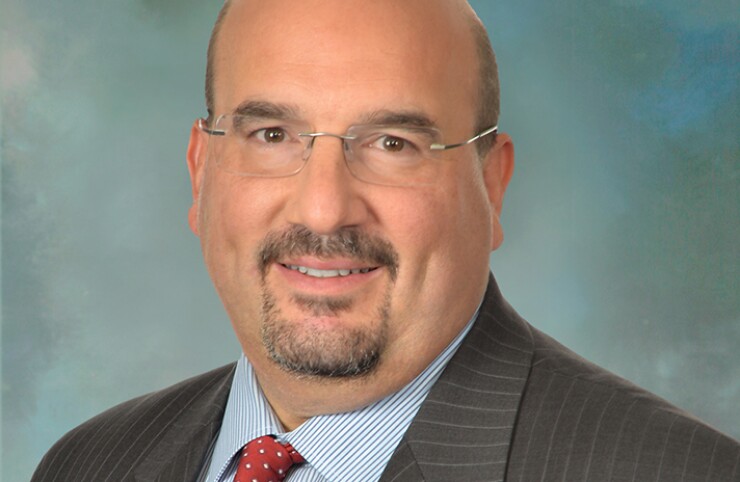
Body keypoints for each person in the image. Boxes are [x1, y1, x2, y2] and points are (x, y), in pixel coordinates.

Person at [32, 0, 739, 481]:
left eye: (393, 143)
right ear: (200, 170)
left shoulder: (674, 471)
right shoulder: (90, 463)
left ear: (491, 186)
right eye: (272, 135)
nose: (324, 210)